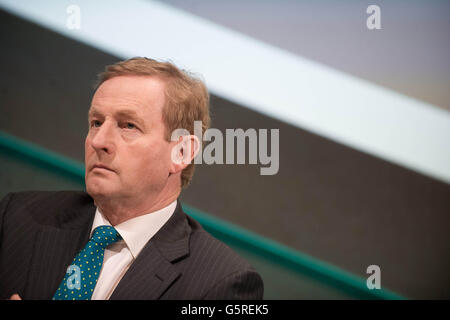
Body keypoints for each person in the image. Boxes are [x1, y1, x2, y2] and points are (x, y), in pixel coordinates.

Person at [0, 57, 264, 300]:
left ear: (181, 152)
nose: (99, 141)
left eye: (128, 126)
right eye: (96, 122)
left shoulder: (221, 284)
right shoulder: (17, 218)